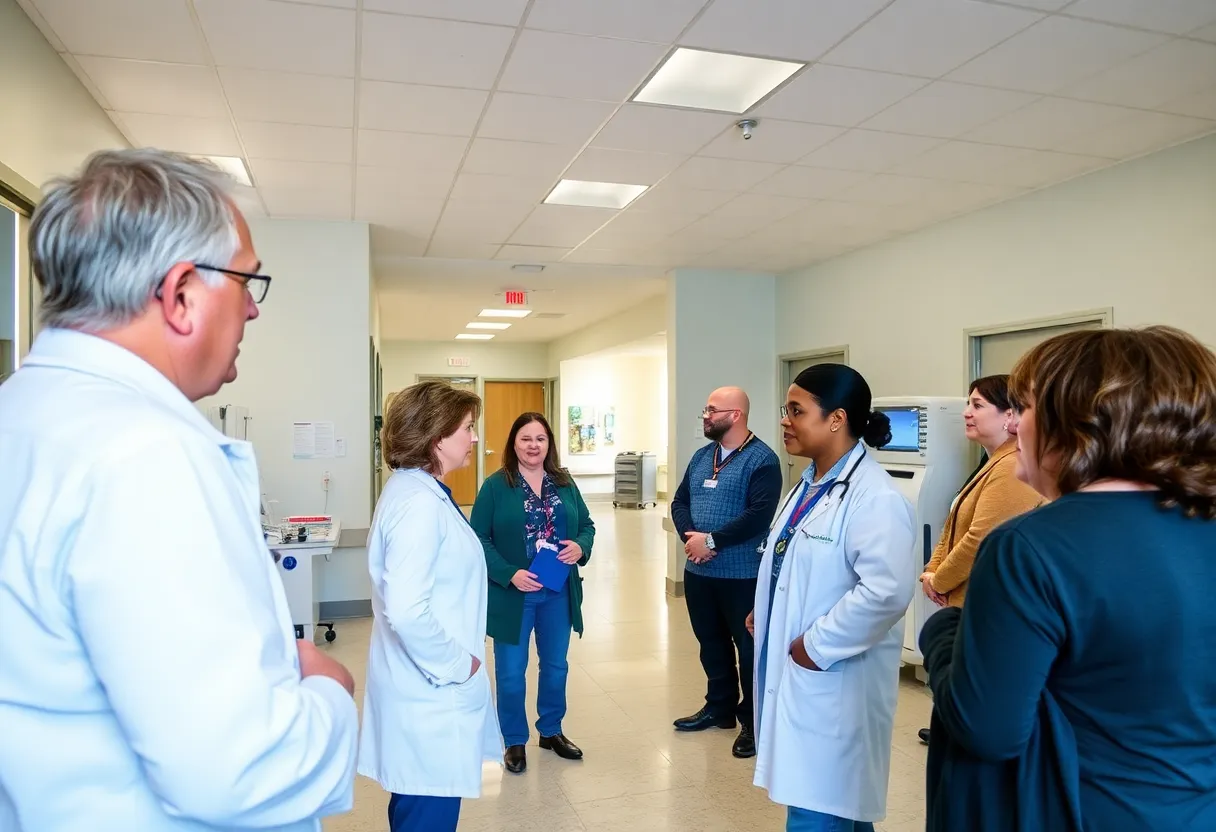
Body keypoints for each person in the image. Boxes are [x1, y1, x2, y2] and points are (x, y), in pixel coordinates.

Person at [0, 149, 359, 831]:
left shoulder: (22, 414)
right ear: (182, 293)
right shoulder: (144, 454)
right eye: (246, 283)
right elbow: (238, 770)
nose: (252, 311)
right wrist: (329, 694)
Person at [921, 327, 1216, 832]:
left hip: (1080, 808)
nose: (1016, 425)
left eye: (1026, 407)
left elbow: (986, 728)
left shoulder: (1030, 547)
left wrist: (944, 633)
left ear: (1074, 422)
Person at [750, 364, 916, 832]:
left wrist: (814, 646)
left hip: (834, 677)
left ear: (836, 419)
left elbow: (885, 593)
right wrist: (767, 609)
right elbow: (789, 563)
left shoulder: (875, 498)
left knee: (818, 806)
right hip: (810, 671)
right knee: (836, 806)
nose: (785, 420)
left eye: (796, 411)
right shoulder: (807, 484)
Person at [358, 381, 502, 832]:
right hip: (431, 693)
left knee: (415, 807)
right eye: (467, 428)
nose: (474, 439)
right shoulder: (419, 504)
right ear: (437, 436)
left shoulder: (419, 491)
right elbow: (406, 610)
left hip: (420, 692)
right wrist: (459, 665)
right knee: (426, 813)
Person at [915, 375, 1042, 744]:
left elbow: (980, 539)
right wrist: (932, 569)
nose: (966, 413)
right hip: (962, 598)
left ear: (1010, 416)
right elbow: (953, 522)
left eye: (977, 405)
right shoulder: (990, 463)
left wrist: (939, 581)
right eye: (968, 404)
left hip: (985, 602)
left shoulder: (1011, 468)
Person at [471, 412, 596, 774]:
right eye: (525, 438)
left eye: (540, 439)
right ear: (514, 443)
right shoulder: (496, 486)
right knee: (511, 671)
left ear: (549, 444)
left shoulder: (564, 482)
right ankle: (513, 739)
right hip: (515, 594)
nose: (533, 446)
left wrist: (580, 546)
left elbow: (586, 524)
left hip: (557, 591)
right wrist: (510, 574)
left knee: (556, 666)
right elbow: (477, 537)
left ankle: (551, 730)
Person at [671, 386, 782, 759]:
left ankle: (751, 721)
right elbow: (680, 500)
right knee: (710, 644)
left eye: (712, 409)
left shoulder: (762, 460)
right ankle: (719, 708)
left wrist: (712, 541)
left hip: (742, 575)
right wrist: (692, 539)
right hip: (699, 573)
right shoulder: (704, 456)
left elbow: (759, 516)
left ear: (735, 415)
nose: (705, 415)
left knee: (748, 649)